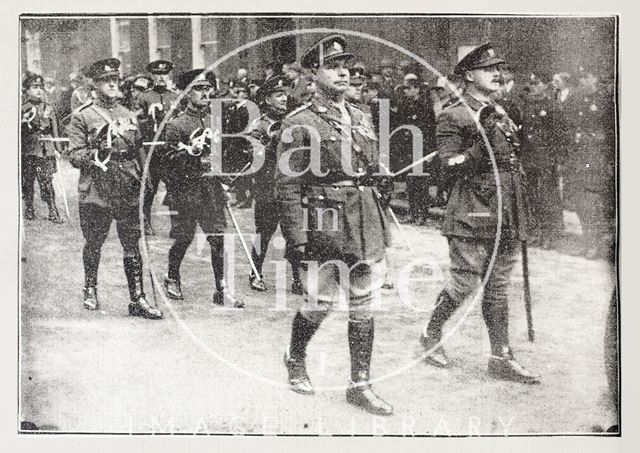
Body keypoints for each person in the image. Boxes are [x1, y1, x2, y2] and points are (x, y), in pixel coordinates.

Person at [276, 34, 393, 416]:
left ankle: (359, 384)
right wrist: (298, 240)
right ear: (312, 74)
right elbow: (288, 185)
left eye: (346, 65)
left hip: (364, 218)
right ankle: (295, 357)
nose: (343, 71)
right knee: (320, 302)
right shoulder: (300, 122)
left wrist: (379, 175)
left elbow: (368, 164)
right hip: (326, 222)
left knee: (365, 301)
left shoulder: (360, 115)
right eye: (332, 66)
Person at [418, 43, 540, 384]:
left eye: (499, 69)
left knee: (498, 286)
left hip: (507, 209)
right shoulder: (454, 114)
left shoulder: (501, 111)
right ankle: (431, 335)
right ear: (469, 75)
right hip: (472, 210)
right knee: (464, 282)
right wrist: (482, 136)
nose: (497, 74)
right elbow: (448, 166)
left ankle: (500, 356)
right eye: (489, 69)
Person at [66, 58, 163, 319]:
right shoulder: (82, 116)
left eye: (115, 80)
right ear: (94, 85)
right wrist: (95, 153)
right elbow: (74, 154)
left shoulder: (126, 113)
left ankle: (138, 299)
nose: (112, 84)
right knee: (94, 241)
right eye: (105, 81)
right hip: (97, 188)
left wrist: (145, 178)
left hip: (128, 186)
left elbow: (138, 147)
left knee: (132, 243)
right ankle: (90, 288)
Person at [161, 69, 244, 309]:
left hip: (211, 190)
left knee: (218, 240)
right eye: (199, 89)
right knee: (183, 238)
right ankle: (172, 276)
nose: (205, 93)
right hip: (185, 190)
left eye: (208, 88)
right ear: (187, 93)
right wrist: (190, 153)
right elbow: (168, 161)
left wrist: (225, 178)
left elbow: (221, 154)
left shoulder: (215, 120)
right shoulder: (176, 124)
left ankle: (222, 290)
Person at [246, 75, 303, 294]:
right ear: (267, 100)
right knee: (265, 232)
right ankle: (255, 272)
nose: (284, 98)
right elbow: (254, 155)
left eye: (285, 94)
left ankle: (298, 278)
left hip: (291, 185)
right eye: (278, 95)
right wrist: (272, 141)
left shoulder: (294, 119)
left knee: (295, 231)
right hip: (267, 186)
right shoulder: (259, 125)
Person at [134, 60, 180, 236]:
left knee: (175, 187)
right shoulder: (144, 97)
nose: (161, 77)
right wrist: (150, 120)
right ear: (152, 76)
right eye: (157, 74)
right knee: (149, 188)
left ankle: (176, 225)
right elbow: (136, 123)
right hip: (151, 149)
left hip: (170, 150)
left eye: (164, 74)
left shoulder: (175, 97)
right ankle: (145, 221)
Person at [519, 73, 564, 249]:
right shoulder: (529, 105)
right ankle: (535, 231)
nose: (533, 86)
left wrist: (558, 159)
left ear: (545, 85)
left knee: (548, 196)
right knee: (531, 196)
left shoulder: (553, 106)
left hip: (546, 159)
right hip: (529, 158)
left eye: (536, 83)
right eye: (531, 83)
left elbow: (560, 135)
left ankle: (550, 234)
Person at [392, 76, 437, 225]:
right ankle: (413, 213)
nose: (406, 91)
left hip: (422, 149)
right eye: (405, 88)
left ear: (416, 89)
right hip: (409, 149)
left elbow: (430, 130)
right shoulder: (405, 105)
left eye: (409, 88)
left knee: (421, 184)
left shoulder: (425, 106)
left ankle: (422, 215)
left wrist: (430, 151)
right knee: (410, 182)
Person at [21, 73, 64, 223]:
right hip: (28, 150)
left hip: (46, 149)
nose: (38, 90)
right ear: (26, 90)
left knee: (46, 181)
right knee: (28, 181)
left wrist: (58, 148)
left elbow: (55, 129)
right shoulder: (22, 109)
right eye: (34, 87)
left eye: (40, 87)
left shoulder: (49, 108)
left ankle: (53, 210)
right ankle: (29, 209)